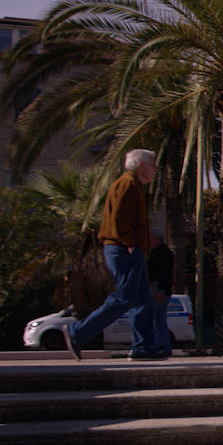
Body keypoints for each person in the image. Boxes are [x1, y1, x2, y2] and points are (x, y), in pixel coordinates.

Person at [64, 149, 160, 360]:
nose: (156, 169)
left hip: (125, 248)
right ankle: (77, 332)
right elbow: (119, 218)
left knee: (141, 299)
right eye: (153, 164)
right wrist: (129, 242)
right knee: (125, 298)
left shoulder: (132, 184)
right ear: (141, 166)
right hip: (123, 249)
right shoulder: (127, 184)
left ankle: (144, 348)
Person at [146, 228, 175, 357]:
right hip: (159, 290)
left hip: (158, 290)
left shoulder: (163, 253)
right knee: (160, 320)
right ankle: (163, 345)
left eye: (150, 237)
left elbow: (164, 274)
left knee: (149, 318)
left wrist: (161, 290)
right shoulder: (156, 252)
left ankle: (155, 345)